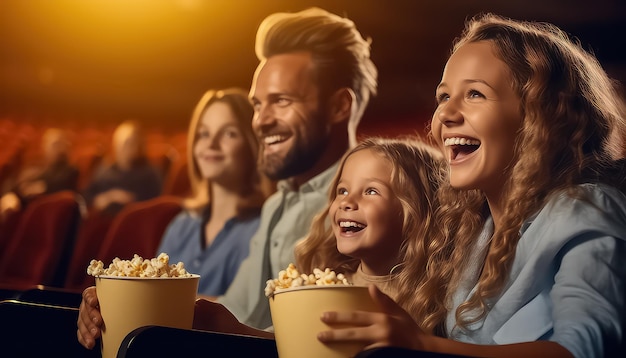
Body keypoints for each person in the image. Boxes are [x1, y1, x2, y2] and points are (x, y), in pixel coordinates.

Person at [317, 13, 626, 358]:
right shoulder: (472, 230)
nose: (445, 115)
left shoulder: (587, 210)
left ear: (539, 117)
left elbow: (584, 350)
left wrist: (422, 345)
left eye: (475, 94)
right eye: (444, 97)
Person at [77, 6, 377, 349]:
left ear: (340, 106)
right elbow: (236, 310)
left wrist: (220, 324)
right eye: (258, 104)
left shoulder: (367, 205)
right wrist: (120, 302)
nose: (260, 121)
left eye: (281, 100)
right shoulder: (278, 202)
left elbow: (334, 347)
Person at [295, 137, 444, 316]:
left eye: (371, 191)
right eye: (342, 191)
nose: (346, 202)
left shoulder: (433, 297)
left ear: (414, 213)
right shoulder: (326, 289)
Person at [157, 88, 271, 297]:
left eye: (229, 133)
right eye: (204, 134)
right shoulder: (180, 226)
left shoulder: (265, 230)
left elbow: (247, 316)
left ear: (252, 145)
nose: (211, 144)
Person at [81, 120, 162, 215]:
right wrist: (107, 197)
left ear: (139, 146)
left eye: (129, 143)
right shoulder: (105, 170)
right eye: (120, 143)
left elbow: (154, 203)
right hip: (104, 220)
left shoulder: (149, 173)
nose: (124, 147)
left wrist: (130, 199)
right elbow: (87, 195)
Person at [0, 128, 79, 218]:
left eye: (60, 144)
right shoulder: (39, 168)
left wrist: (40, 187)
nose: (58, 149)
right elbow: (16, 184)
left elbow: (59, 184)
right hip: (22, 206)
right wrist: (10, 194)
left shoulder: (70, 170)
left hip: (42, 212)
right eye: (53, 144)